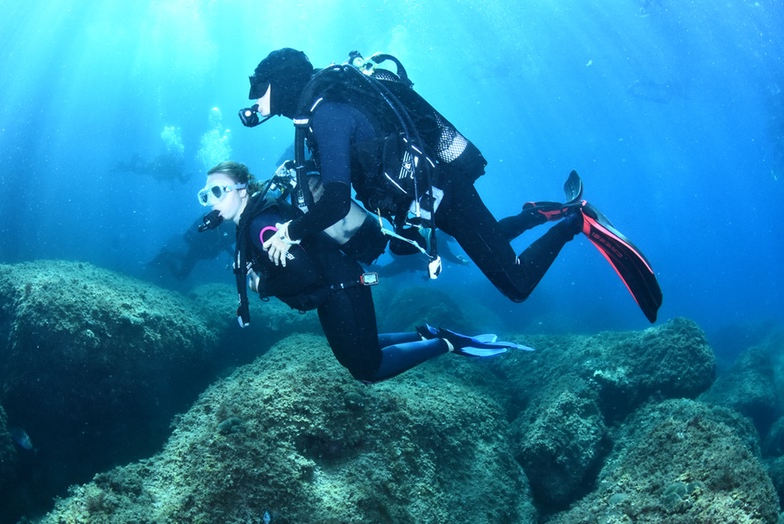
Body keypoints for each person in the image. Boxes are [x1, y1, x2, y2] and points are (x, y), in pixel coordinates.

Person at [240, 49, 663, 323]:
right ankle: (542, 211)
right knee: (489, 235)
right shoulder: (327, 108)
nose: (255, 104)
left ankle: (578, 221)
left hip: (445, 193)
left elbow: (334, 202)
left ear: (280, 83)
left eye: (260, 92)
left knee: (515, 285)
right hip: (436, 198)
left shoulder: (326, 114)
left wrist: (290, 231)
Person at [199, 161, 533, 382]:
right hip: (342, 287)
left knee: (366, 368)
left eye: (218, 191)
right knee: (364, 350)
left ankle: (445, 342)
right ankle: (427, 333)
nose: (211, 201)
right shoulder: (257, 219)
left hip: (341, 289)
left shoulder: (259, 222)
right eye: (205, 195)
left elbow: (305, 274)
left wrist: (263, 285)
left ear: (242, 188)